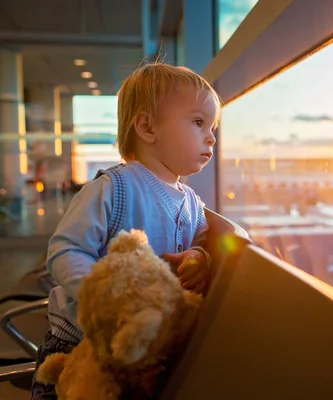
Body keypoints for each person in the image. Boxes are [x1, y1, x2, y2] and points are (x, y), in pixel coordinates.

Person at [30, 62, 220, 400]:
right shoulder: (112, 188)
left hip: (143, 350)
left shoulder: (192, 203)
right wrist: (106, 298)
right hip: (84, 342)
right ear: (147, 127)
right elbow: (65, 250)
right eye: (198, 122)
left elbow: (201, 247)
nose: (211, 136)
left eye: (213, 126)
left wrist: (198, 259)